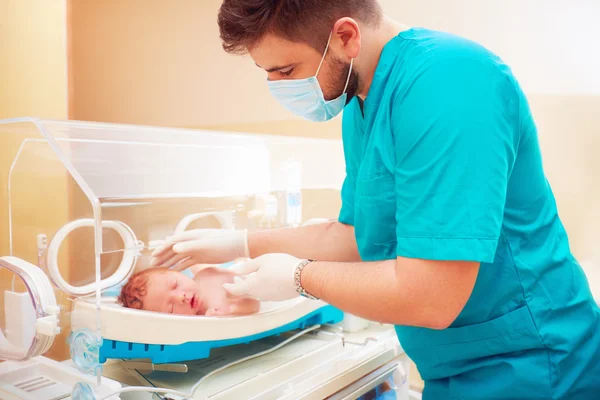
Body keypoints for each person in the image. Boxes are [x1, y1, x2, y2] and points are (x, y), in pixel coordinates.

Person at [150, 1, 600, 398]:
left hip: (532, 365)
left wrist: (300, 277)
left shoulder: (451, 84)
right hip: (454, 366)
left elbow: (433, 296)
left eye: (285, 71)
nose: (276, 85)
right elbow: (356, 236)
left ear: (345, 36)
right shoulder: (359, 101)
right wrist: (243, 243)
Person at [118, 266, 260, 317]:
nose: (180, 297)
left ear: (179, 273)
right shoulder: (193, 321)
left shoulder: (211, 280)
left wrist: (231, 310)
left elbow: (255, 302)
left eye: (174, 284)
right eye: (171, 308)